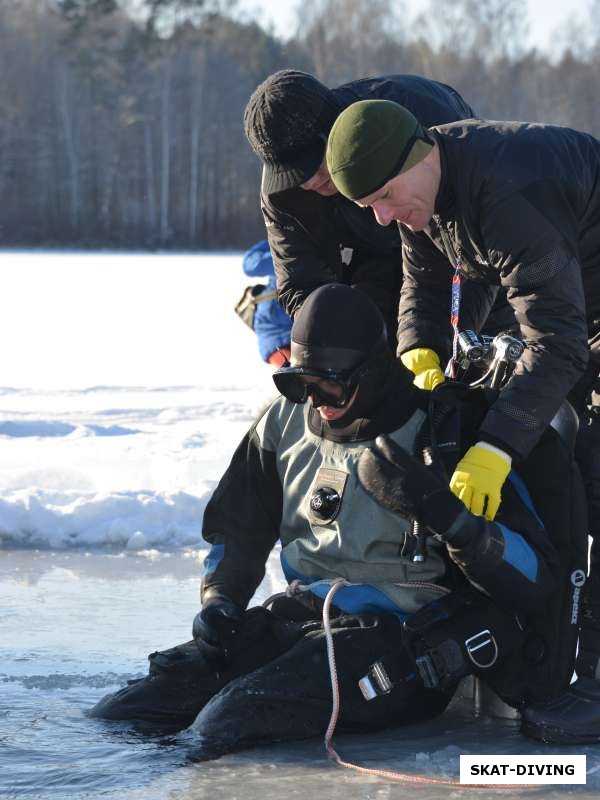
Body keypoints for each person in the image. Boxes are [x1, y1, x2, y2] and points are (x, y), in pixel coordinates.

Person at [89, 285, 586, 754]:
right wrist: (221, 601)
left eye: (330, 386)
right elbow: (237, 526)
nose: (317, 402)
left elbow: (535, 577)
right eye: (300, 384)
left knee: (229, 722)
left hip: (400, 642)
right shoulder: (282, 424)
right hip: (305, 620)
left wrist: (447, 515)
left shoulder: (447, 435)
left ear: (371, 369)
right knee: (127, 712)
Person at [324, 99, 600, 742]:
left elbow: (555, 342)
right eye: (369, 207)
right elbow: (424, 267)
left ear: (420, 155)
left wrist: (498, 447)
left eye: (386, 196)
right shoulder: (420, 181)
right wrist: (418, 341)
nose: (383, 215)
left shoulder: (510, 195)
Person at [243, 70, 484, 347]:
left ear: (335, 132)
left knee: (455, 352)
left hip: (448, 248)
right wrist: (329, 345)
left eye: (313, 165)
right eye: (295, 174)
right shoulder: (281, 191)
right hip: (364, 260)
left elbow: (476, 250)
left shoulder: (423, 118)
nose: (308, 182)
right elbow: (301, 280)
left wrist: (439, 341)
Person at [241, 239, 292, 367]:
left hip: (277, 323)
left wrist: (273, 240)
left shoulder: (289, 248)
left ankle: (292, 372)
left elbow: (250, 265)